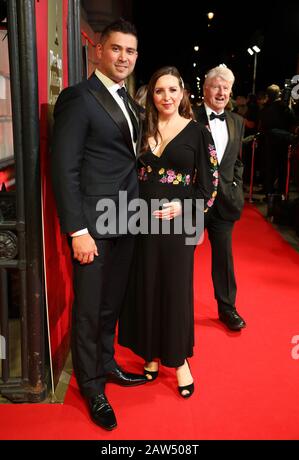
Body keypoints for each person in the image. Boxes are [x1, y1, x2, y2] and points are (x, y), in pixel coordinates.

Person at [51, 18, 147, 432]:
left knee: (111, 302)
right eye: (116, 49)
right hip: (92, 225)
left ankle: (105, 364)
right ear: (98, 50)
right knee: (89, 309)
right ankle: (90, 385)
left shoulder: (128, 101)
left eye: (130, 51)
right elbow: (64, 168)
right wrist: (78, 231)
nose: (123, 57)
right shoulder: (79, 97)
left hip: (126, 218)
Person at [118, 66, 218, 397]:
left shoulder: (197, 132)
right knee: (145, 285)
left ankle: (179, 362)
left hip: (177, 227)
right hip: (141, 223)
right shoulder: (141, 128)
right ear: (152, 95)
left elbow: (210, 185)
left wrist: (183, 205)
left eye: (173, 90)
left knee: (175, 290)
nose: (167, 97)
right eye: (160, 91)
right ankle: (149, 355)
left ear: (183, 93)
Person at [195, 65, 246, 331]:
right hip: (195, 202)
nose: (222, 92)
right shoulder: (190, 117)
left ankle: (227, 309)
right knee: (181, 256)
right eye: (217, 86)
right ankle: (174, 307)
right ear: (205, 89)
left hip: (225, 202)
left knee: (224, 258)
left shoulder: (236, 121)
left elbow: (236, 161)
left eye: (226, 88)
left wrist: (235, 184)